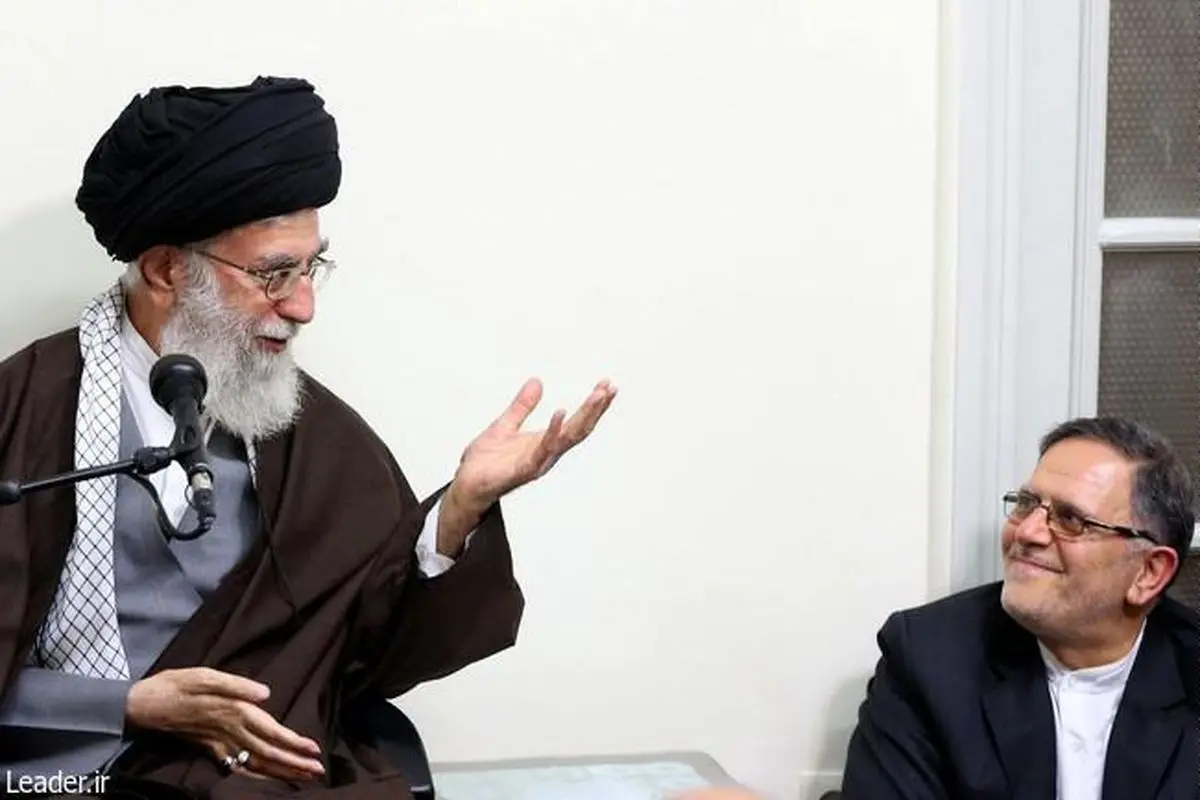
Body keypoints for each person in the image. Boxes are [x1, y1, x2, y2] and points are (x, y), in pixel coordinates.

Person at [0, 76, 616, 798]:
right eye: (275, 274)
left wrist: (459, 511)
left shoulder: (316, 437)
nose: (304, 305)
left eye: (311, 267)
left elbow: (377, 657)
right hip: (48, 776)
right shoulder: (23, 411)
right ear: (167, 270)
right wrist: (125, 704)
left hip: (256, 780)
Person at [841, 416, 1200, 799]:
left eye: (1071, 520)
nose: (1027, 532)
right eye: (1026, 504)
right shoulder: (929, 658)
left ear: (1148, 573)